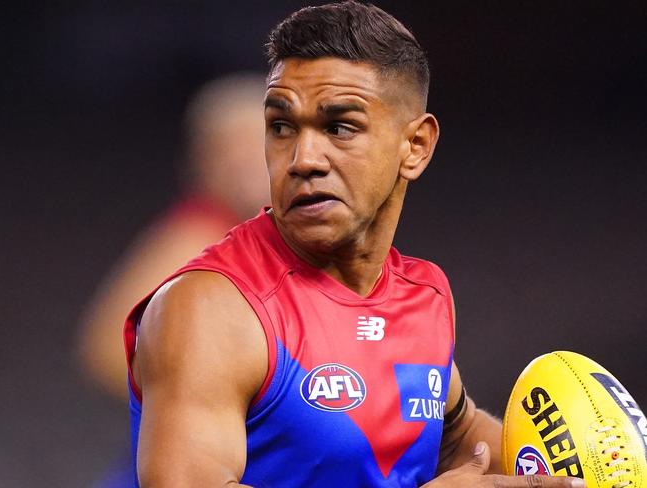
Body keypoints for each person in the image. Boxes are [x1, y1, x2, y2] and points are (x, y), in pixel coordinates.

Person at [124, 2, 586, 487]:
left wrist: (583, 472)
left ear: (416, 147)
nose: (303, 159)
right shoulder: (212, 307)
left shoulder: (422, 294)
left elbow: (457, 435)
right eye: (281, 127)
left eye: (339, 127)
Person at [78, 73, 269, 401]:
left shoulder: (284, 238)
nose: (243, 162)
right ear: (200, 164)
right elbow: (109, 349)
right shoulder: (199, 234)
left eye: (258, 144)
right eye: (227, 149)